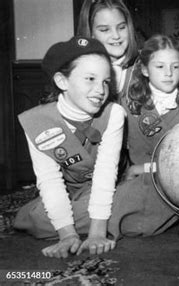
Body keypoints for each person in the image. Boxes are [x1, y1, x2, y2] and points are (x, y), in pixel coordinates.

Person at [14, 36, 126, 258]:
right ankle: (117, 218)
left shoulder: (113, 114)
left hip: (107, 187)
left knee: (141, 194)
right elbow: (50, 180)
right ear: (62, 81)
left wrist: (96, 233)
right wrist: (66, 234)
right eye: (90, 79)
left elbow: (106, 173)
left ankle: (102, 217)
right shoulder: (36, 121)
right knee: (30, 218)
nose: (100, 90)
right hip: (71, 192)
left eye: (105, 81)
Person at [107, 34, 179, 238]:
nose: (169, 73)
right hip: (137, 181)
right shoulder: (128, 103)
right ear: (144, 70)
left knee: (134, 220)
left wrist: (143, 168)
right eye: (160, 67)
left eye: (175, 67)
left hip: (175, 181)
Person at [77, 0, 139, 101]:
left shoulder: (146, 68)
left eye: (121, 27)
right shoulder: (79, 73)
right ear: (90, 33)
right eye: (105, 30)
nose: (116, 36)